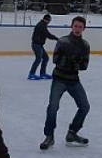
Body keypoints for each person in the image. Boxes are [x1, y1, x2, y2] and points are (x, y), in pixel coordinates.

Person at [40, 16, 91, 150]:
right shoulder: (63, 41)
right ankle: (49, 136)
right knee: (53, 107)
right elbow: (56, 59)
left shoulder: (85, 45)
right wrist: (71, 61)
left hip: (74, 81)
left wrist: (74, 63)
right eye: (76, 26)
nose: (77, 29)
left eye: (80, 27)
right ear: (71, 26)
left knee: (84, 106)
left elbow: (84, 65)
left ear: (84, 29)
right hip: (59, 79)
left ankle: (72, 132)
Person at [27, 13, 59, 80]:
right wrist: (56, 38)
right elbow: (47, 34)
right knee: (38, 59)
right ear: (46, 20)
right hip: (37, 45)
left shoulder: (42, 24)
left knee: (45, 58)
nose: (49, 22)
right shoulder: (41, 25)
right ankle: (31, 73)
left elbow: (46, 34)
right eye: (49, 21)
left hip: (39, 45)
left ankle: (42, 73)